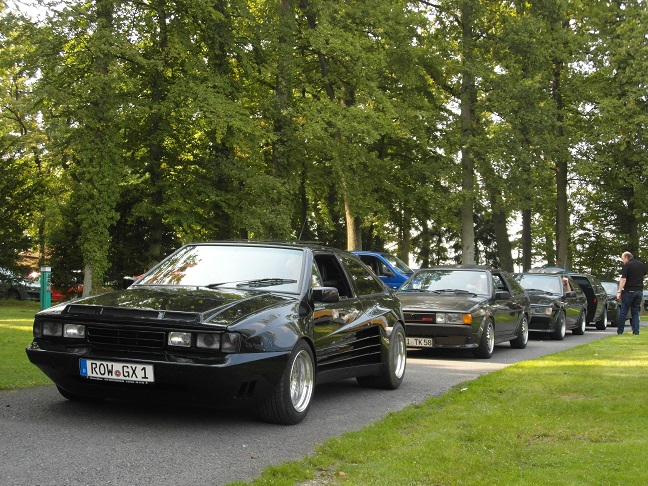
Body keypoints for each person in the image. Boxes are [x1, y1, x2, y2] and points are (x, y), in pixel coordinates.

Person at [617, 251, 647, 335]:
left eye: (623, 258)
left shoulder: (627, 265)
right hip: (639, 290)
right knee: (635, 312)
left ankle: (620, 331)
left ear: (627, 257)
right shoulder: (641, 264)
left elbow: (623, 279)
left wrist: (619, 291)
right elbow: (645, 274)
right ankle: (636, 331)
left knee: (624, 311)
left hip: (629, 290)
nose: (622, 260)